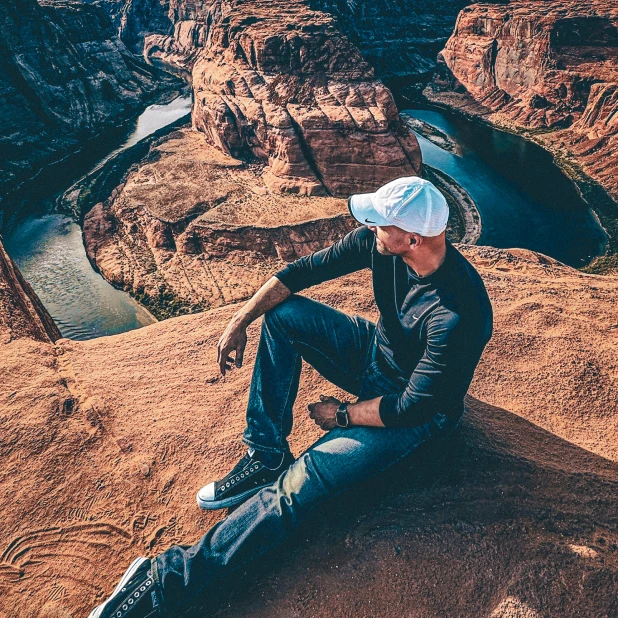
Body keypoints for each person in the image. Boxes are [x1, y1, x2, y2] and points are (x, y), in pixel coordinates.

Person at [88, 176, 493, 618]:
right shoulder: (383, 246)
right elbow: (301, 273)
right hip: (376, 356)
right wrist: (240, 319)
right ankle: (265, 455)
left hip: (414, 415)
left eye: (380, 223)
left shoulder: (459, 313)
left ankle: (167, 579)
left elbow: (413, 407)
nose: (371, 228)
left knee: (304, 479)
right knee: (282, 315)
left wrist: (341, 415)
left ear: (411, 238)